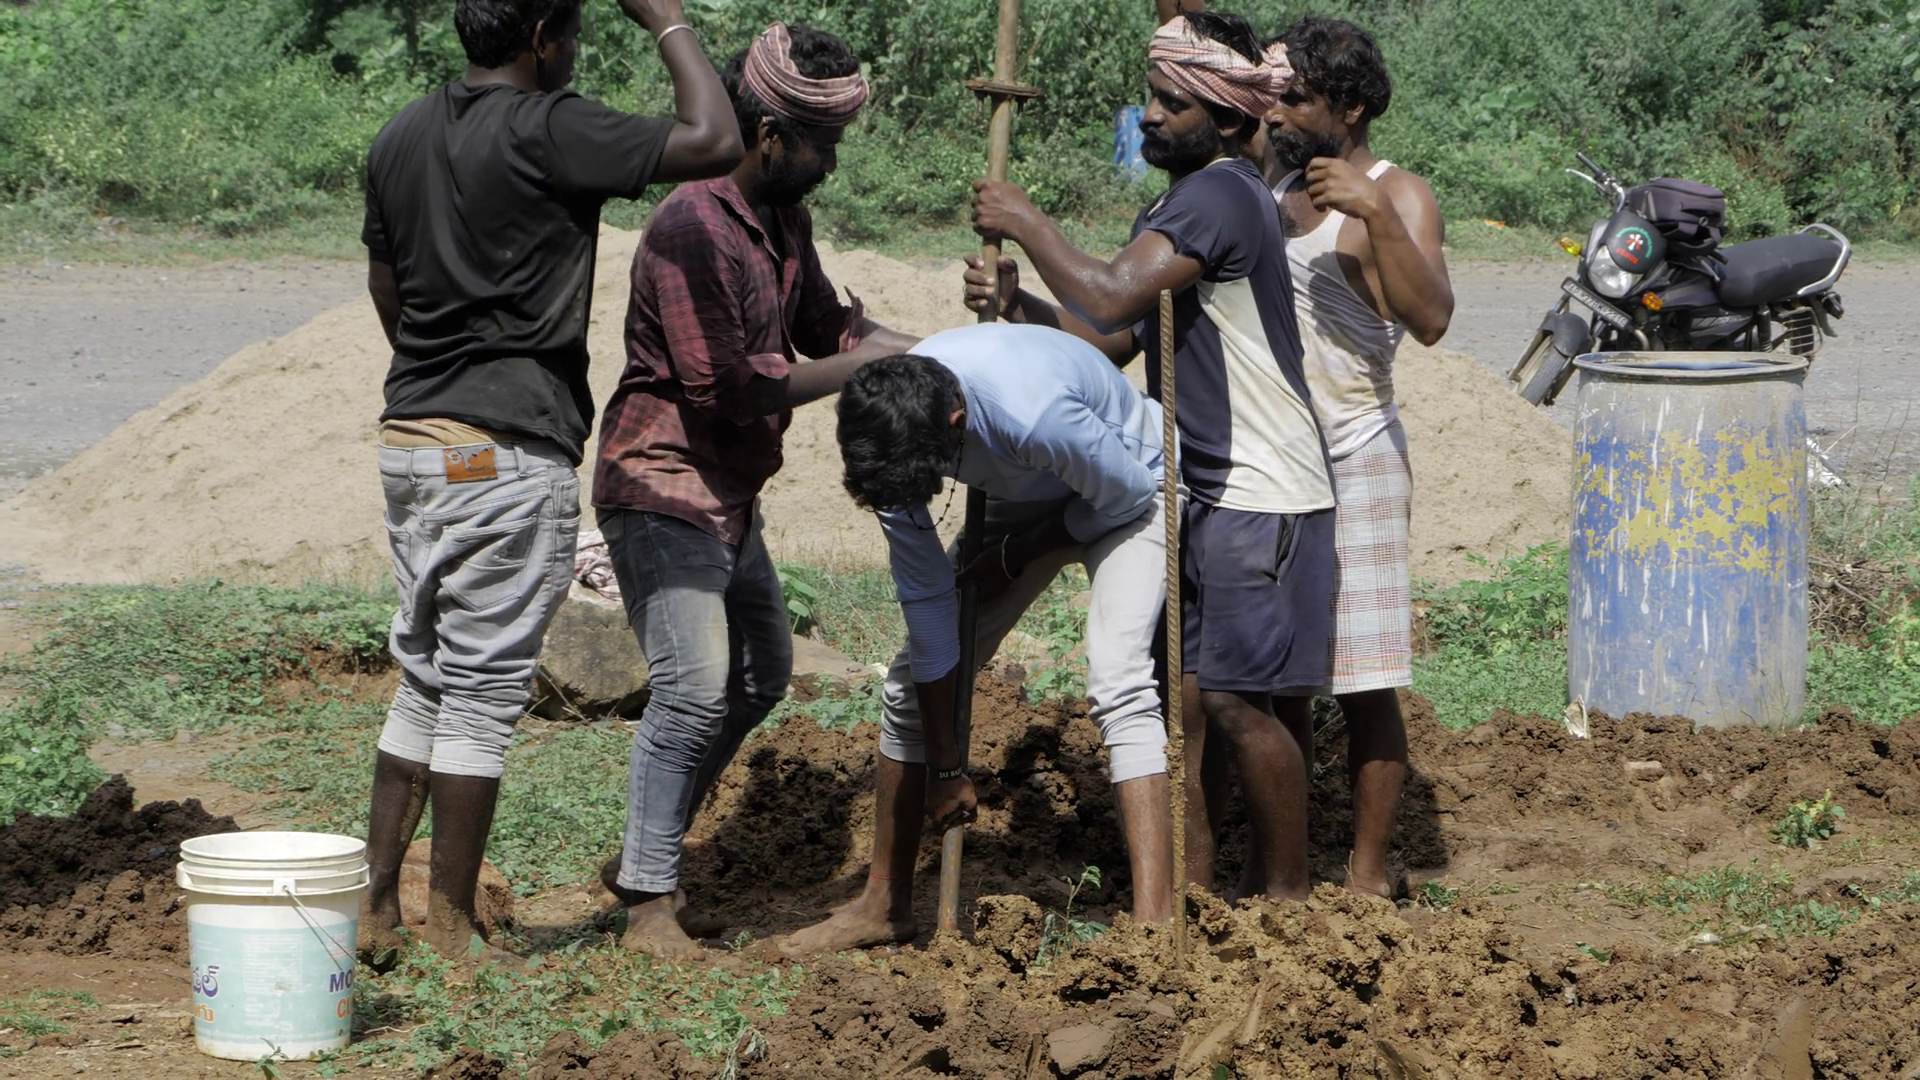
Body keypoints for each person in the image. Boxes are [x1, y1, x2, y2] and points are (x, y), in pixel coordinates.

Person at [358, 0, 741, 966]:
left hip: (413, 441)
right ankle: (451, 933)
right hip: (503, 452)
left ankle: (377, 909)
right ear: (542, 39)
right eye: (571, 37)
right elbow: (715, 138)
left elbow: (385, 285)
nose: (573, 54)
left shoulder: (401, 131)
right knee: (484, 694)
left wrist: (442, 370)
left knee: (427, 677)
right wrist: (667, 21)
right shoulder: (550, 127)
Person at [965, 11, 1335, 901]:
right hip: (1203, 486)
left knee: (1238, 703)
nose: (1153, 115)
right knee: (1193, 709)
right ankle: (1193, 900)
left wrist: (1026, 221)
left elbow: (1105, 291)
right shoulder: (1184, 200)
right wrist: (1021, 305)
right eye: (1152, 97)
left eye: (1174, 102)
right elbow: (1112, 337)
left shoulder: (1221, 195)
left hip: (1259, 487)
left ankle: (1289, 902)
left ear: (1227, 115)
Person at [591, 22, 920, 960]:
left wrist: (943, 349)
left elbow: (828, 325)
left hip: (726, 492)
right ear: (772, 135)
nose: (831, 164)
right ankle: (647, 901)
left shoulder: (781, 220)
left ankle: (648, 856)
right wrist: (866, 369)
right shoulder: (691, 226)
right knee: (695, 689)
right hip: (662, 484)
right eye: (825, 145)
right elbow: (727, 388)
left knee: (759, 674)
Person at [784, 323, 1175, 954]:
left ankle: (1155, 928)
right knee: (908, 688)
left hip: (1132, 483)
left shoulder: (1034, 412)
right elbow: (932, 617)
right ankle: (883, 905)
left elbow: (1126, 493)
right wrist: (946, 766)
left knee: (1119, 678)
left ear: (956, 422)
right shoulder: (890, 434)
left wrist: (1018, 553)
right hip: (1026, 483)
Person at [1263, 15, 1453, 898]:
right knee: (1286, 679)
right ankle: (1290, 864)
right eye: (1276, 96)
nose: (1278, 113)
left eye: (1297, 99)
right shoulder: (1274, 187)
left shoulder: (1395, 192)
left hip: (1358, 453)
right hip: (1281, 459)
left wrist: (1372, 214)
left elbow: (1432, 318)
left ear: (1352, 108)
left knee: (1364, 678)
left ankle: (1368, 873)